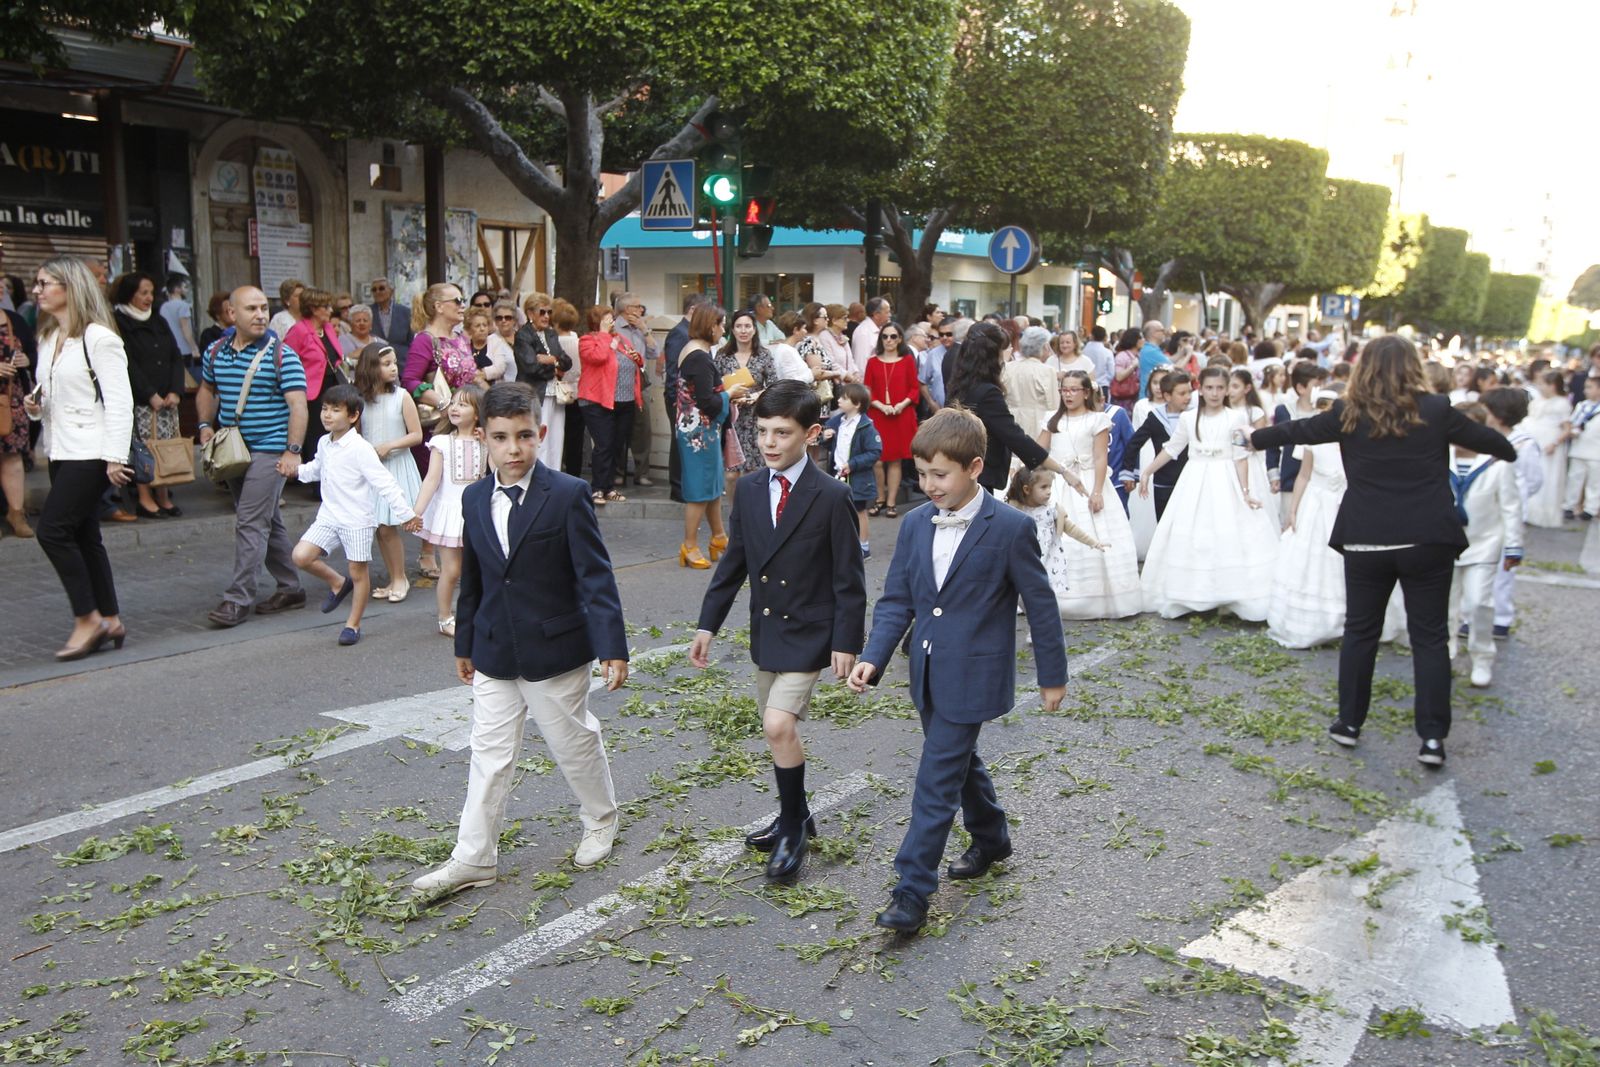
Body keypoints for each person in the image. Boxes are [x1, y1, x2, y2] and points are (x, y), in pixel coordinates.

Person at [1248, 335, 1519, 768]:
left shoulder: (1347, 412)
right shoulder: (1435, 410)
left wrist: (1252, 439)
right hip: (1427, 538)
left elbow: (1297, 430)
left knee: (1360, 633)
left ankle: (1348, 724)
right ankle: (1432, 739)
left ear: (1364, 368)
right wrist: (1507, 445)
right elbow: (1493, 443)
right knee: (1430, 639)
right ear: (1413, 367)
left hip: (1366, 537)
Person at [847, 409, 1067, 934]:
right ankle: (992, 837)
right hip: (925, 669)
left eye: (939, 475)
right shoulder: (916, 522)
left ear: (974, 467)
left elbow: (1040, 604)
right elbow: (898, 599)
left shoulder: (1011, 528)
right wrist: (873, 657)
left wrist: (1051, 676)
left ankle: (912, 890)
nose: (927, 485)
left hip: (975, 673)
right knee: (958, 762)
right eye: (921, 474)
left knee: (935, 779)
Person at [412, 382, 628, 895]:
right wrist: (465, 642)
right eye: (503, 438)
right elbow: (477, 580)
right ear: (483, 438)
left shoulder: (569, 494)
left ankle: (600, 818)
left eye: (525, 436)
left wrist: (612, 647)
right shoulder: (472, 497)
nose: (514, 449)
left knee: (571, 741)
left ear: (542, 434)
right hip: (492, 647)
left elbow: (595, 577)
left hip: (556, 647)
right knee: (488, 753)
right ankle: (474, 858)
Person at [690, 380, 867, 882]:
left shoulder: (832, 495)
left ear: (811, 434)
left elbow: (848, 580)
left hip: (811, 633)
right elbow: (735, 563)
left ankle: (792, 826)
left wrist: (846, 642)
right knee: (776, 731)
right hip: (767, 633)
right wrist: (708, 625)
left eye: (782, 433)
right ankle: (798, 816)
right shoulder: (747, 488)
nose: (769, 442)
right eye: (762, 431)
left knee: (777, 725)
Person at [24, 257, 134, 659]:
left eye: (44, 283)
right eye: (36, 284)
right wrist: (35, 407)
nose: (36, 290)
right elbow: (54, 394)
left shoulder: (100, 338)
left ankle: (87, 618)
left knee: (52, 531)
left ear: (69, 287)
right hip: (60, 448)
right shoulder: (49, 337)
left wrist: (115, 458)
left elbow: (120, 402)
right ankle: (111, 616)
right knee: (86, 535)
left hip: (93, 451)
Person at [196, 286, 310, 628]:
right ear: (232, 314)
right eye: (251, 309)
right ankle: (291, 587)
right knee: (266, 519)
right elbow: (206, 388)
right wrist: (203, 424)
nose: (260, 314)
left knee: (249, 521)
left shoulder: (282, 355)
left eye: (264, 307)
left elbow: (298, 405)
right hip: (233, 450)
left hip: (270, 449)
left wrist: (292, 452)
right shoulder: (216, 352)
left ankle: (237, 599)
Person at [1140, 365, 1279, 620]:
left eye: (1220, 388)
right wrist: (1148, 471)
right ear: (1200, 390)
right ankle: (1192, 594)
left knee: (1226, 532)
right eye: (1209, 388)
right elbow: (1172, 449)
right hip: (1195, 480)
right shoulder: (1188, 418)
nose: (1214, 393)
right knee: (1195, 533)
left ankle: (1228, 592)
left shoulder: (1236, 418)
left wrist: (1245, 491)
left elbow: (1240, 457)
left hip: (1225, 480)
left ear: (1226, 390)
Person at [291, 384, 421, 646]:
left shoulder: (360, 448)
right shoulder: (324, 442)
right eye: (325, 409)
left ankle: (353, 624)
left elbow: (384, 482)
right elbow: (318, 468)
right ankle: (338, 583)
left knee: (359, 571)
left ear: (353, 416)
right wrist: (296, 472)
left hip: (357, 520)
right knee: (301, 556)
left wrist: (406, 514)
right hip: (328, 516)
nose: (327, 415)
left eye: (335, 410)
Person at [1038, 371, 1141, 618]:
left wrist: (1097, 491)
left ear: (1086, 392)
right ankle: (1054, 594)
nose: (1069, 395)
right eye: (1064, 390)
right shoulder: (1051, 419)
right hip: (1060, 481)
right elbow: (1038, 449)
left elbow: (1099, 457)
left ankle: (1096, 596)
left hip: (1086, 480)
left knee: (1095, 531)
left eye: (1074, 390)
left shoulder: (1097, 420)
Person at [1445, 402, 1523, 689]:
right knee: (1445, 604)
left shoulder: (1496, 465)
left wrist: (1514, 546)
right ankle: (1446, 652)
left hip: (1484, 543)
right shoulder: (1440, 458)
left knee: (1479, 601)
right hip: (1445, 543)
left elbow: (1511, 508)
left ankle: (1481, 655)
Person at [1267, 387, 1348, 649]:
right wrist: (1293, 509)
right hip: (1317, 501)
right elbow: (1304, 474)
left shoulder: (1350, 437)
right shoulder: (1313, 440)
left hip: (1343, 502)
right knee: (1314, 558)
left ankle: (1345, 618)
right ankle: (1316, 619)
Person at [944, 321, 1066, 495]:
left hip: (961, 466)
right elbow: (1014, 436)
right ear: (994, 354)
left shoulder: (960, 384)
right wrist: (1061, 469)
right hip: (979, 472)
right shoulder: (987, 392)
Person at [412, 385, 487, 636]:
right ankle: (445, 617)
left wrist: (488, 440)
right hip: (450, 513)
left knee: (477, 569)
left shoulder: (485, 441)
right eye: (453, 403)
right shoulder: (441, 442)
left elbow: (497, 472)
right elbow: (431, 480)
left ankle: (476, 613)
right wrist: (417, 512)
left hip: (478, 513)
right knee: (452, 570)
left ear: (477, 413)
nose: (455, 408)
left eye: (463, 404)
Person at [112, 271, 187, 518]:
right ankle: (145, 497)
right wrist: (149, 393)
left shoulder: (158, 320)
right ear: (130, 294)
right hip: (141, 400)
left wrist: (175, 390)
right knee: (143, 448)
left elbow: (175, 356)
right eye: (143, 293)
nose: (148, 297)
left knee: (163, 447)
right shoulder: (119, 321)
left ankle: (163, 495)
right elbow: (128, 363)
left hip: (166, 398)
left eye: (151, 293)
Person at [351, 342, 422, 602]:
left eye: (394, 363)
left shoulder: (402, 396)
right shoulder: (360, 400)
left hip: (396, 466)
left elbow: (416, 434)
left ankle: (400, 578)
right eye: (386, 364)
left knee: (388, 526)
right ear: (371, 368)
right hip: (373, 469)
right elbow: (356, 433)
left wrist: (390, 445)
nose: (394, 368)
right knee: (381, 526)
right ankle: (395, 578)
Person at [674, 303, 733, 568]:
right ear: (711, 325)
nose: (724, 329)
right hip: (699, 432)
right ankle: (689, 545)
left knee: (712, 485)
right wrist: (730, 394)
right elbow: (707, 401)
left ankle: (719, 536)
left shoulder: (694, 351)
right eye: (721, 324)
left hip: (697, 429)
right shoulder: (699, 355)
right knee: (700, 489)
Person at [1481, 387, 1541, 641]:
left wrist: (1518, 499)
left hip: (1511, 513)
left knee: (1505, 566)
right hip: (1486, 509)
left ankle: (1500, 617)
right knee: (1483, 562)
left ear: (1499, 414)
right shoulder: (1483, 437)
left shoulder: (1524, 444)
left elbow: (1534, 479)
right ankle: (1475, 615)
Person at [1005, 465, 1108, 608]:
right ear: (1027, 489)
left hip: (1047, 560)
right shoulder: (1015, 510)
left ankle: (1043, 627)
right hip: (1024, 559)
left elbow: (1071, 528)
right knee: (1024, 597)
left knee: (1043, 598)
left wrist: (1093, 542)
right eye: (1043, 487)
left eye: (1050, 487)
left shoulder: (1053, 510)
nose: (1048, 492)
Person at [577, 304, 643, 506]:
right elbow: (598, 357)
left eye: (611, 318)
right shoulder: (587, 341)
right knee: (604, 444)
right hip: (597, 401)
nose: (611, 322)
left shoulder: (620, 340)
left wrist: (635, 358)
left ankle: (609, 487)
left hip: (624, 401)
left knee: (617, 445)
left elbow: (637, 361)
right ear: (597, 323)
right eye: (607, 319)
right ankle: (597, 488)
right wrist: (605, 334)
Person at [714, 308, 777, 501]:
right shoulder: (723, 355)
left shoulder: (764, 355)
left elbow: (774, 384)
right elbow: (714, 385)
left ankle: (752, 514)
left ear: (754, 329)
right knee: (731, 474)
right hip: (730, 420)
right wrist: (729, 395)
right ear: (732, 330)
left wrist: (755, 396)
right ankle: (735, 514)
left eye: (748, 326)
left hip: (756, 419)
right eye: (739, 326)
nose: (743, 330)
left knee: (753, 472)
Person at [284, 288, 345, 465]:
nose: (330, 310)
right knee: (316, 436)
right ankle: (315, 481)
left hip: (332, 389)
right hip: (311, 394)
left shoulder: (327, 328)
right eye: (326, 306)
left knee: (332, 434)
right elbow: (286, 360)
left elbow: (334, 357)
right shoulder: (298, 331)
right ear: (313, 308)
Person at [864, 322, 919, 517]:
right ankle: (879, 497)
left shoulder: (907, 361)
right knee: (877, 460)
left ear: (900, 339)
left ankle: (891, 502)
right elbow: (867, 390)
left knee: (895, 460)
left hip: (900, 415)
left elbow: (914, 388)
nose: (889, 340)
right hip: (878, 415)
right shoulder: (872, 362)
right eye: (885, 336)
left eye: (893, 336)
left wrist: (901, 405)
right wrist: (881, 405)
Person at [822, 382, 883, 557]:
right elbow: (829, 446)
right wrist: (825, 438)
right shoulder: (837, 422)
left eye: (844, 398)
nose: (839, 400)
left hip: (858, 476)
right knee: (839, 511)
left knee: (859, 511)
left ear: (857, 404)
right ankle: (843, 543)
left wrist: (853, 464)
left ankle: (863, 546)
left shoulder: (866, 426)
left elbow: (874, 451)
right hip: (837, 473)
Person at [513, 294, 571, 471]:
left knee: (557, 437)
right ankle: (538, 476)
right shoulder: (523, 335)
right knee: (540, 436)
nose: (546, 316)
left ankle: (554, 474)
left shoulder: (551, 333)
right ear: (530, 313)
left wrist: (550, 360)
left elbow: (567, 362)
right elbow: (530, 367)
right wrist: (554, 366)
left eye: (549, 312)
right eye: (542, 312)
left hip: (555, 394)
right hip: (536, 393)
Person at [612, 293, 657, 487]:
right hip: (617, 387)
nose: (641, 310)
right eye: (637, 307)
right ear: (627, 309)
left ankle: (641, 473)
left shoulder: (640, 329)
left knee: (642, 430)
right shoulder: (612, 329)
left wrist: (645, 331)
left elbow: (655, 353)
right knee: (617, 432)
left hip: (640, 386)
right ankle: (617, 471)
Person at [662, 293, 702, 502]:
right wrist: (675, 398)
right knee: (678, 444)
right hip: (678, 398)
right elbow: (673, 370)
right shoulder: (680, 333)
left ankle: (682, 485)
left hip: (684, 399)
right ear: (693, 310)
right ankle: (677, 488)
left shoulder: (689, 332)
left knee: (683, 442)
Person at [1228, 369, 1277, 521]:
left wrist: (1246, 439)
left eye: (1235, 386)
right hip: (1228, 461)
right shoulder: (1225, 411)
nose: (1230, 391)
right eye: (1228, 386)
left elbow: (1260, 442)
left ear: (1247, 388)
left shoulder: (1254, 412)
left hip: (1249, 462)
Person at [0, 313, 33, 536]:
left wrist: (27, 360)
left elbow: (34, 352)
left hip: (11, 398)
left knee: (13, 457)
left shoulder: (14, 319)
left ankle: (16, 513)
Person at [1525, 369, 1570, 527]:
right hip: (1533, 441)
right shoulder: (1537, 400)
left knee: (1547, 477)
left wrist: (1555, 443)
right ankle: (1528, 511)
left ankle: (1543, 514)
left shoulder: (1562, 403)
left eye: (1543, 384)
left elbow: (1567, 428)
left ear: (1553, 386)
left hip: (1549, 443)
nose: (1540, 387)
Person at [1002, 327, 1058, 450]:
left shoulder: (1008, 368)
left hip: (1010, 424)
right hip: (1038, 424)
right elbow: (1054, 405)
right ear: (1044, 347)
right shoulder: (1047, 371)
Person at [552, 299, 586, 477]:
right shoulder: (579, 342)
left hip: (557, 391)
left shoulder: (553, 342)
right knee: (575, 438)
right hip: (577, 392)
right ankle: (574, 473)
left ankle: (555, 469)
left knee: (555, 434)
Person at [1560, 374, 1600, 520]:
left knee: (1594, 481)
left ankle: (1590, 508)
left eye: (1590, 387)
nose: (1586, 391)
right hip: (1579, 448)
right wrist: (1572, 431)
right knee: (1574, 478)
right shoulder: (1581, 406)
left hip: (1596, 451)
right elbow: (1572, 422)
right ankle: (1569, 505)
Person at [369, 278, 414, 353]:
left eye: (381, 288)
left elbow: (411, 341)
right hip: (376, 360)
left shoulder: (405, 312)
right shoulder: (368, 312)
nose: (377, 292)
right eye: (374, 290)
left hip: (401, 360)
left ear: (391, 291)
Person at [851, 297, 892, 374]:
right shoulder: (864, 333)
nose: (890, 315)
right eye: (887, 312)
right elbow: (861, 364)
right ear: (876, 315)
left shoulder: (880, 329)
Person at [1109, 327, 1143, 412]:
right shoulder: (1122, 356)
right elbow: (1119, 376)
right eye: (1141, 338)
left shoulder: (1138, 355)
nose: (1143, 340)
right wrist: (1132, 366)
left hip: (1134, 397)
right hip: (1122, 399)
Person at [488, 301, 518, 383]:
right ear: (495, 321)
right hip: (503, 391)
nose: (503, 320)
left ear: (514, 320)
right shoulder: (490, 340)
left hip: (526, 390)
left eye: (507, 318)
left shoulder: (524, 337)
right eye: (499, 318)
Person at [1137, 319, 1168, 395]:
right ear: (1153, 333)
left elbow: (1169, 360)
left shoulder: (1150, 349)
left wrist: (1180, 353)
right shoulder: (1151, 351)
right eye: (1162, 330)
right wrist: (1188, 354)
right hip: (1149, 396)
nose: (1164, 333)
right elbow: (1173, 367)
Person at [1083, 325, 1114, 390]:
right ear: (1104, 337)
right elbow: (1111, 373)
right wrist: (1105, 379)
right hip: (1102, 385)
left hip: (1086, 384)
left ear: (1092, 335)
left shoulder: (1084, 351)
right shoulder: (1108, 352)